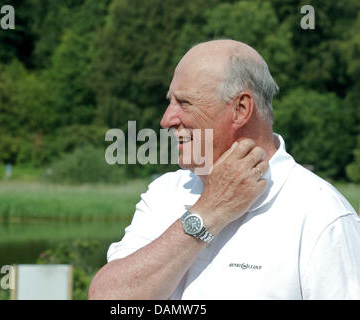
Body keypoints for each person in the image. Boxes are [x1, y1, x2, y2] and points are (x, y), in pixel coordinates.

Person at [88, 39, 360, 299]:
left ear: (241, 109)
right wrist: (209, 211)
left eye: (184, 103)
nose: (166, 120)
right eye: (170, 102)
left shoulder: (322, 215)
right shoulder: (164, 193)